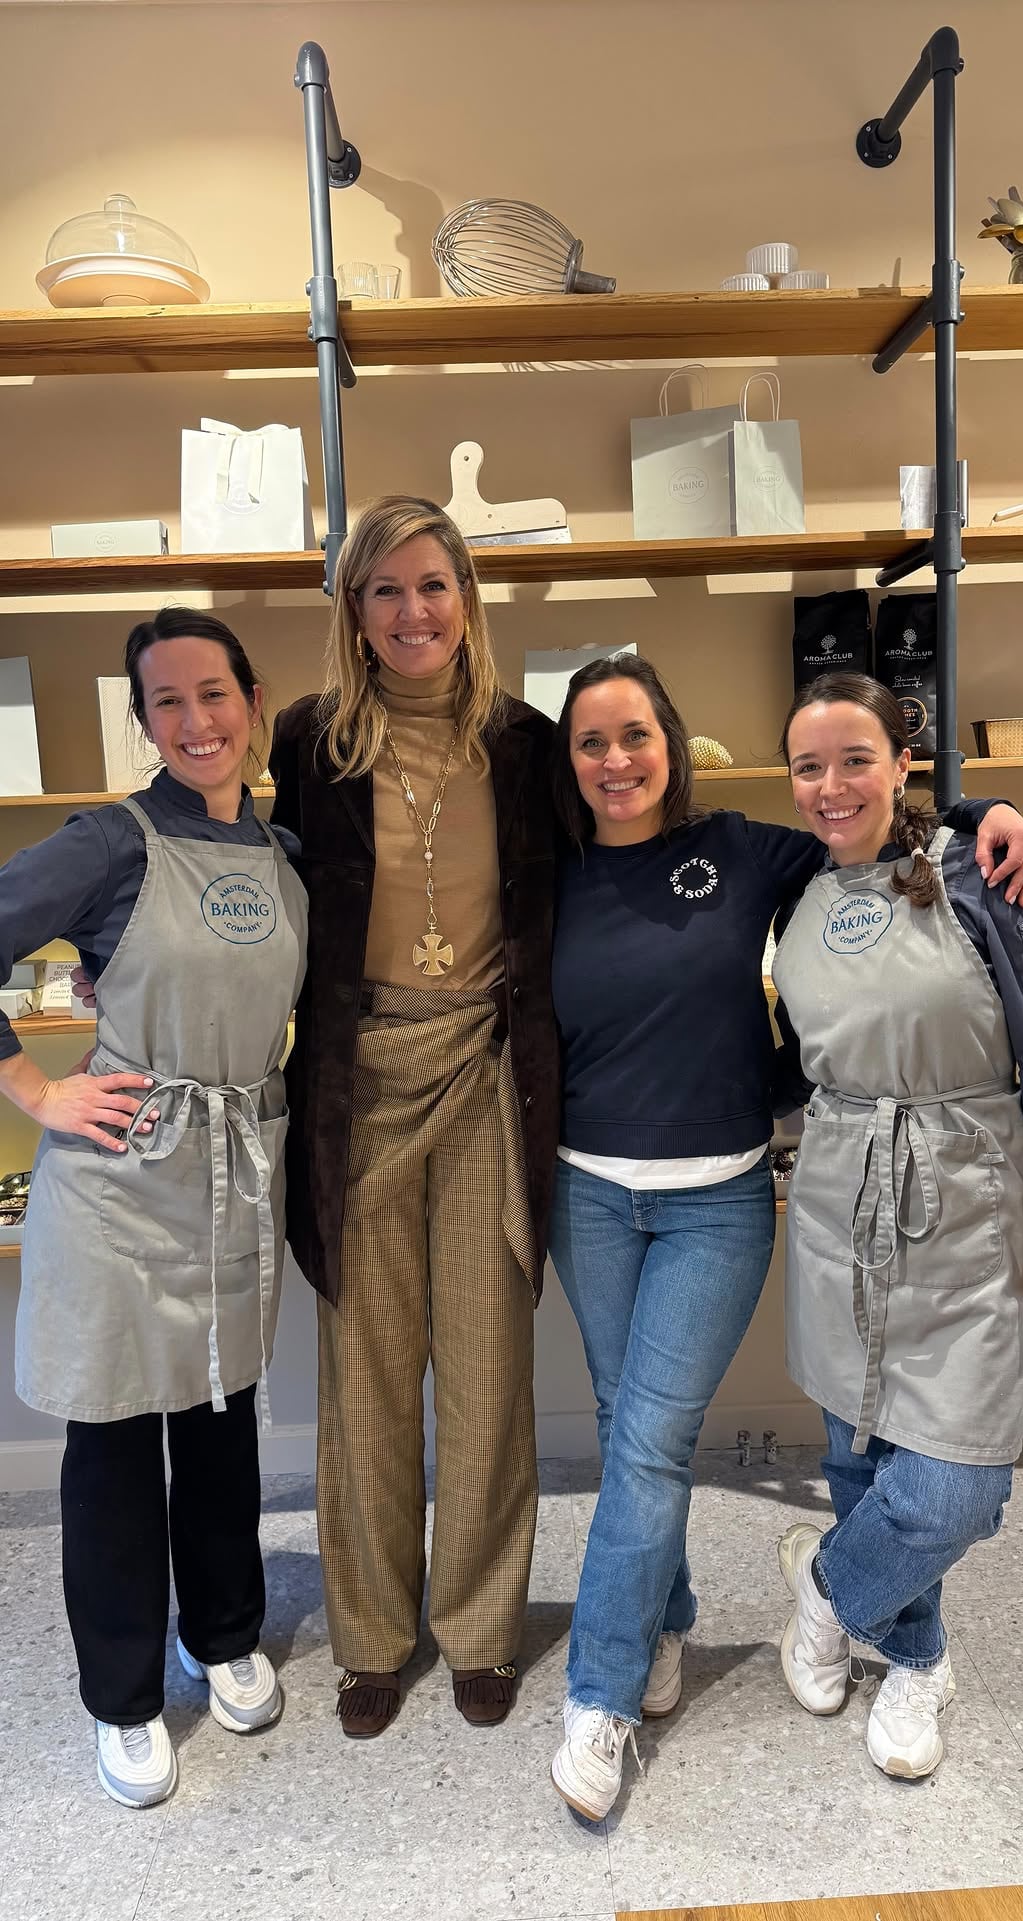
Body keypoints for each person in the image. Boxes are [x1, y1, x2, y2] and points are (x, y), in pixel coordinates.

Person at [543, 652, 1023, 1823]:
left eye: (635, 735)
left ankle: (602, 1689)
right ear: (566, 764)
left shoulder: (751, 849)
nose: (616, 761)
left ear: (675, 742)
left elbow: (872, 817)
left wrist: (986, 807)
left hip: (722, 1192)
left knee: (658, 1441)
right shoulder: (546, 873)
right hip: (591, 1193)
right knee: (636, 1430)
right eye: (589, 742)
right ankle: (669, 1626)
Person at [1, 607, 308, 1808]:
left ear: (251, 700)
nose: (196, 720)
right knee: (119, 1442)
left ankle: (224, 1631)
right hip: (127, 1184)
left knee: (224, 1417)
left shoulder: (282, 857)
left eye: (214, 693)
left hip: (237, 1175)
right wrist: (37, 1089)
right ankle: (123, 1700)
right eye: (167, 701)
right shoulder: (110, 842)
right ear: (143, 722)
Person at [268, 496, 559, 1737]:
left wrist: (968, 816)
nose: (412, 612)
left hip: (488, 1067)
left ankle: (483, 1626)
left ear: (468, 597)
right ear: (354, 609)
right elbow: (201, 831)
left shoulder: (529, 744)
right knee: (367, 1375)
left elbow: (670, 833)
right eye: (383, 590)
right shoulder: (307, 740)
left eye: (432, 584)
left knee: (489, 1370)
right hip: (361, 1075)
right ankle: (374, 1636)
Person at [773, 671, 1023, 1781]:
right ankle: (917, 1661)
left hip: (972, 1188)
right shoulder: (795, 884)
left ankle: (822, 1592)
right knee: (862, 1442)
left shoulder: (986, 872)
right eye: (810, 765)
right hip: (841, 1186)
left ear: (904, 763)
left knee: (960, 1479)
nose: (832, 784)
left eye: (856, 758)